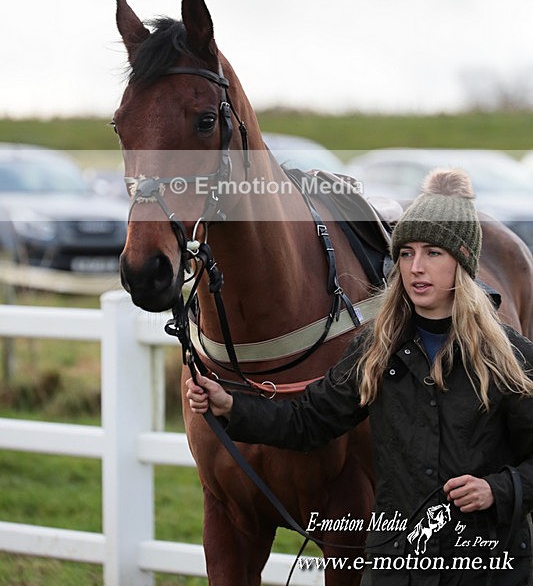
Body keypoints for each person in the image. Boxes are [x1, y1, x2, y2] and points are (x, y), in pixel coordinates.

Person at [187, 168, 533, 585]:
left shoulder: (511, 359)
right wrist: (233, 407)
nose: (416, 268)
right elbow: (307, 422)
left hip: (486, 566)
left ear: (462, 262)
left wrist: (499, 490)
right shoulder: (374, 350)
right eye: (405, 253)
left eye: (433, 253)